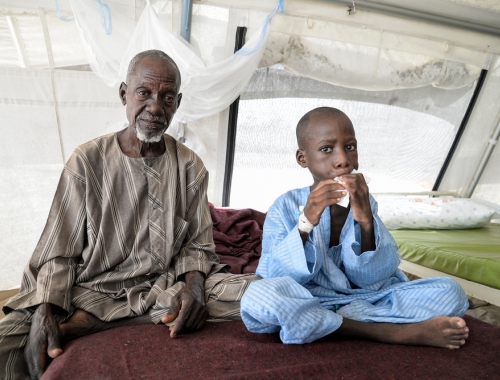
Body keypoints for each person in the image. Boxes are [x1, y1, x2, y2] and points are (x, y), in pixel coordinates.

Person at [0, 49, 257, 380]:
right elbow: (58, 253)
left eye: (166, 97)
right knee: (6, 346)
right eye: (144, 93)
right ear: (124, 94)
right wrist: (44, 312)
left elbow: (197, 246)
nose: (154, 107)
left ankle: (86, 323)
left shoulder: (190, 167)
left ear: (177, 103)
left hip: (163, 288)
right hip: (90, 287)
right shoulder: (87, 162)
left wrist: (193, 288)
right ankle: (82, 319)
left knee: (258, 295)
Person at [240, 107, 470, 347]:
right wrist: (306, 221)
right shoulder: (285, 205)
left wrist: (365, 219)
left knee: (452, 292)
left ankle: (328, 324)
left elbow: (373, 276)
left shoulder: (366, 201)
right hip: (309, 297)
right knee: (257, 297)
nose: (343, 160)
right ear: (303, 158)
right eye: (326, 149)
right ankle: (389, 331)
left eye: (350, 147)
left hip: (369, 298)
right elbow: (273, 275)